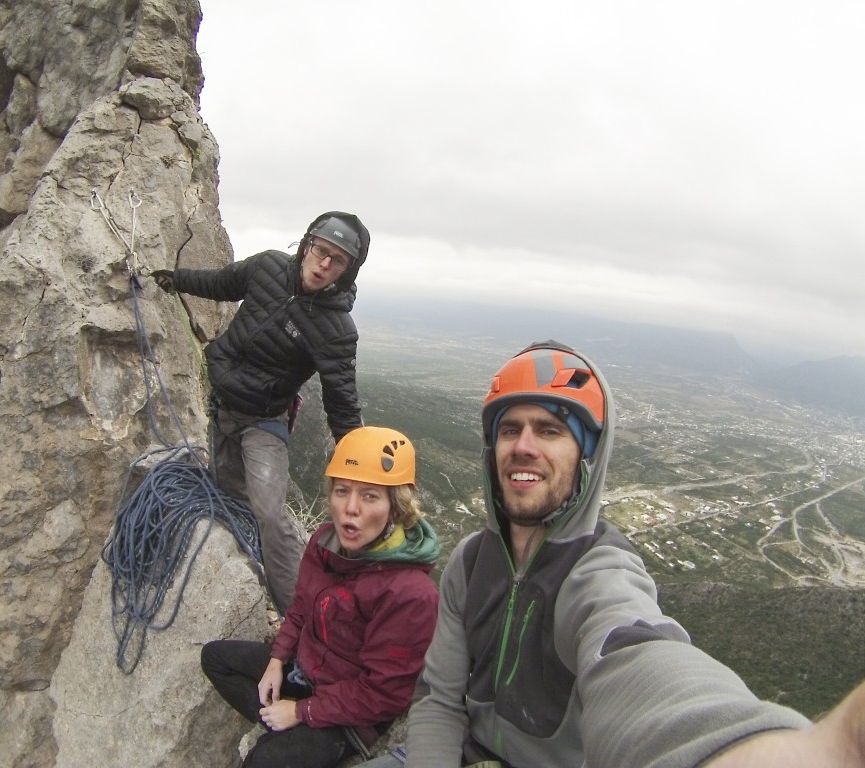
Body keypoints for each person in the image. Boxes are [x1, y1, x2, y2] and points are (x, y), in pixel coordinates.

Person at [361, 340, 864, 768]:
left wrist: (736, 749)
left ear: (588, 455)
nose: (524, 446)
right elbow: (440, 698)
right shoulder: (470, 562)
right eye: (509, 430)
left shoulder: (599, 571)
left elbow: (636, 656)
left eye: (551, 430)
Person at [152, 212, 369, 615]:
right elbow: (221, 284)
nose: (324, 264)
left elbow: (341, 400)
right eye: (320, 251)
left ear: (347, 270)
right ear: (306, 245)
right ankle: (244, 566)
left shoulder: (336, 329)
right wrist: (175, 278)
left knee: (269, 512)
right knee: (227, 493)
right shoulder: (267, 266)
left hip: (263, 422)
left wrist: (363, 461)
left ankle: (295, 616)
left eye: (336, 260)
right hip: (223, 407)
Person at [201, 426, 441, 768]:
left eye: (370, 496)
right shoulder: (325, 543)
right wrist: (276, 661)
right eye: (342, 491)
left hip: (353, 712)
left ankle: (291, 739)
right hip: (308, 669)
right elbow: (301, 608)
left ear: (396, 507)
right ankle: (282, 731)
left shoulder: (410, 594)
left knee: (261, 761)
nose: (350, 508)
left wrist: (301, 711)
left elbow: (383, 694)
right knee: (215, 659)